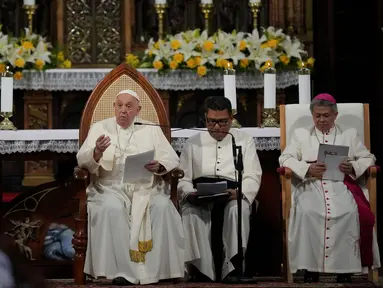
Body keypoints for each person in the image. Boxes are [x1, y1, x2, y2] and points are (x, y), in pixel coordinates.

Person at [77, 89, 185, 285]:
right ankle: (121, 272)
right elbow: (82, 160)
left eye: (128, 106)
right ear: (114, 107)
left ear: (138, 110)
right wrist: (97, 151)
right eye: (119, 105)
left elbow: (171, 158)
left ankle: (157, 272)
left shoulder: (151, 128)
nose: (123, 110)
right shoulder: (100, 128)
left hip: (146, 187)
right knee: (111, 208)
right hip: (109, 187)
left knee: (162, 207)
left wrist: (159, 166)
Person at [279, 93, 380, 283]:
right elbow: (285, 158)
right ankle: (310, 269)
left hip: (340, 186)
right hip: (311, 184)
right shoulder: (301, 135)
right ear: (312, 115)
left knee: (349, 212)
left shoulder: (349, 134)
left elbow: (368, 157)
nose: (321, 120)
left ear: (335, 115)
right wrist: (307, 168)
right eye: (317, 116)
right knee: (308, 211)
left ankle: (345, 269)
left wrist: (353, 167)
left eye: (326, 115)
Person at [178, 96, 262, 281]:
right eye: (211, 122)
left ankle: (232, 269)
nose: (216, 127)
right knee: (190, 213)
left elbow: (252, 174)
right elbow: (183, 178)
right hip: (201, 194)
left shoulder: (244, 140)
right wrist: (189, 193)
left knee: (237, 210)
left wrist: (240, 193)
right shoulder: (193, 142)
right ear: (205, 119)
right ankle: (201, 270)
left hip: (232, 193)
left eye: (222, 122)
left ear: (231, 118)